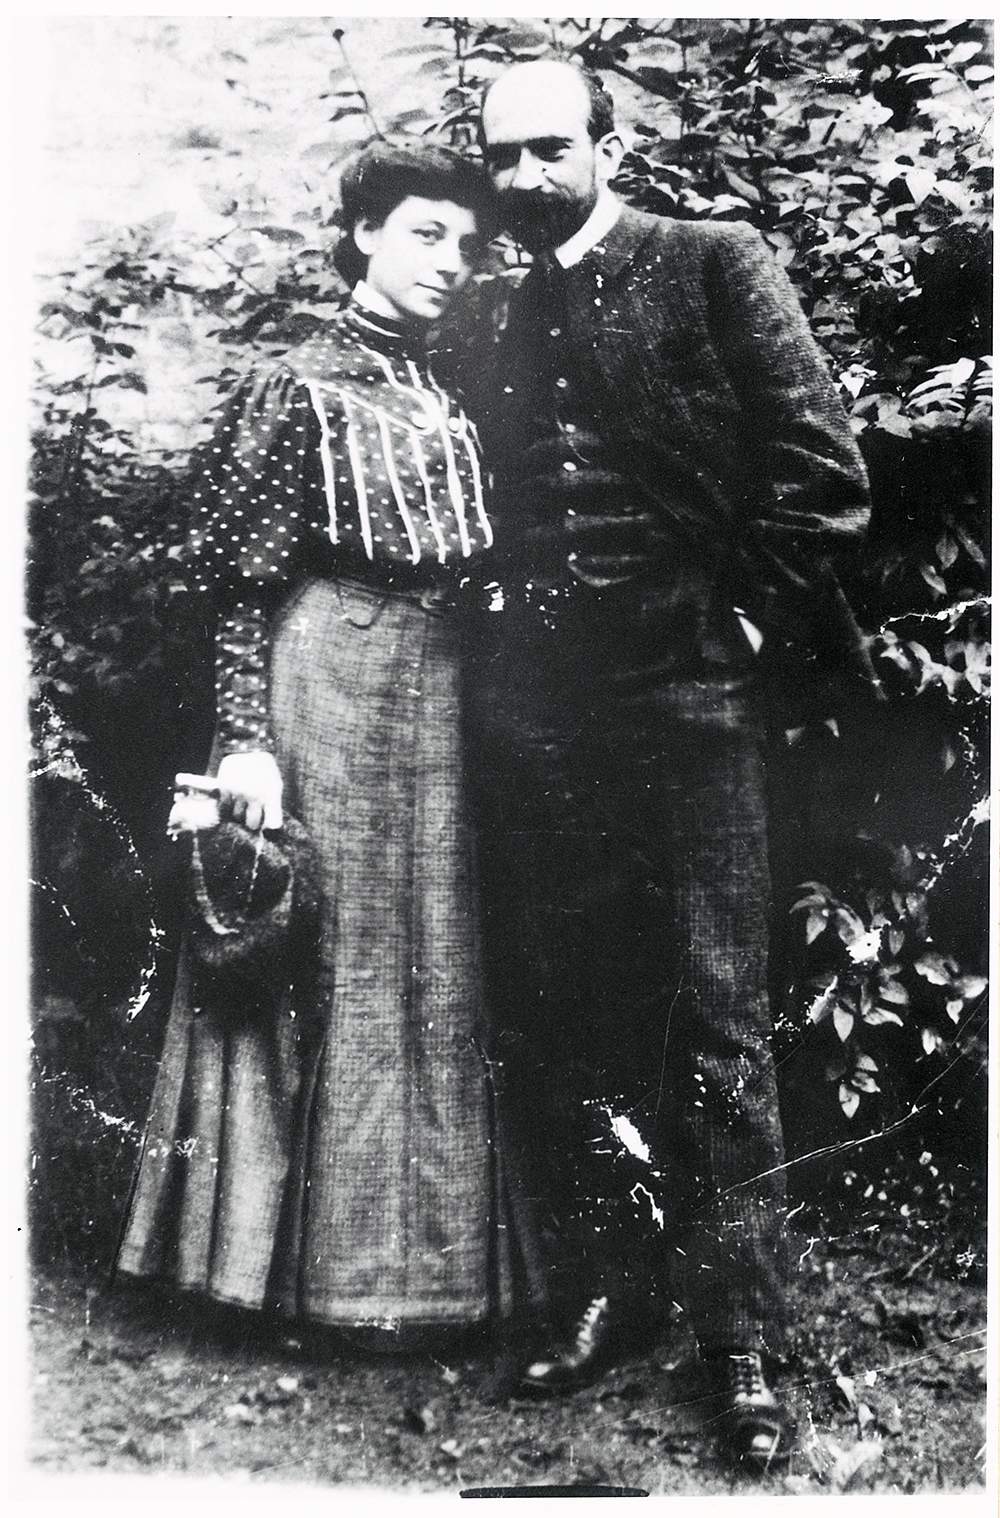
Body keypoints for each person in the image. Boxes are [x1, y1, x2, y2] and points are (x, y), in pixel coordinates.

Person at [468, 59, 874, 1468]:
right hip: (552, 718)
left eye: (549, 151)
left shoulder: (708, 262)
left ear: (610, 143)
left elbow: (821, 468)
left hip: (693, 696)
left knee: (715, 1011)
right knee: (576, 1004)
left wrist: (741, 622)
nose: (523, 179)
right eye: (502, 157)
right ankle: (610, 1284)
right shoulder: (497, 309)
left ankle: (742, 1336)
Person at [116, 141, 542, 1343]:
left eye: (464, 244)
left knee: (436, 954)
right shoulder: (294, 381)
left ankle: (428, 1278)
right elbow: (235, 588)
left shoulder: (450, 390)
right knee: (314, 945)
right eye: (421, 233)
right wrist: (246, 738)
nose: (448, 262)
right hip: (327, 676)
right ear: (359, 235)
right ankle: (275, 1279)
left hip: (443, 689)